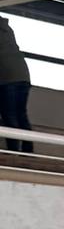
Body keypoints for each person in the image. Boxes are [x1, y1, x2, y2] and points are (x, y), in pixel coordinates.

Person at [0, 14, 33, 153]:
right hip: (23, 75)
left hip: (7, 76)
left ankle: (13, 151)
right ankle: (27, 152)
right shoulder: (6, 29)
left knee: (9, 115)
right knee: (21, 114)